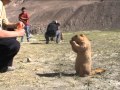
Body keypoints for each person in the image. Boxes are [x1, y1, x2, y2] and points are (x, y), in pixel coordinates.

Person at [0, 0, 25, 73]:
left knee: (12, 33)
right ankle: (1, 66)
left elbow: (5, 23)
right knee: (14, 44)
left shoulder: (2, 6)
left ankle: (6, 65)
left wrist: (15, 25)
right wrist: (18, 33)